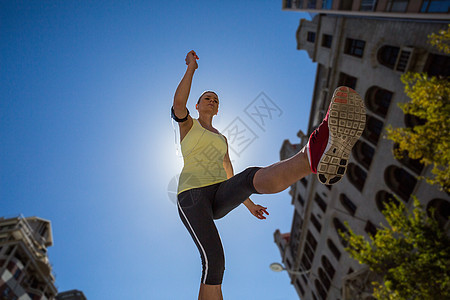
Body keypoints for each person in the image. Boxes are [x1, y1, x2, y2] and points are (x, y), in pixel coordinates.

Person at [172, 50, 366, 300]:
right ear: (197, 106)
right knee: (215, 261)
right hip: (192, 195)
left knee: (248, 175)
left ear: (218, 110)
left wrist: (248, 203)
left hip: (218, 194)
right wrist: (191, 69)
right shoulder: (189, 124)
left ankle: (311, 156)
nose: (212, 101)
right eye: (208, 98)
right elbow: (178, 105)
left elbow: (228, 169)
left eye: (216, 100)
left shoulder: (221, 138)